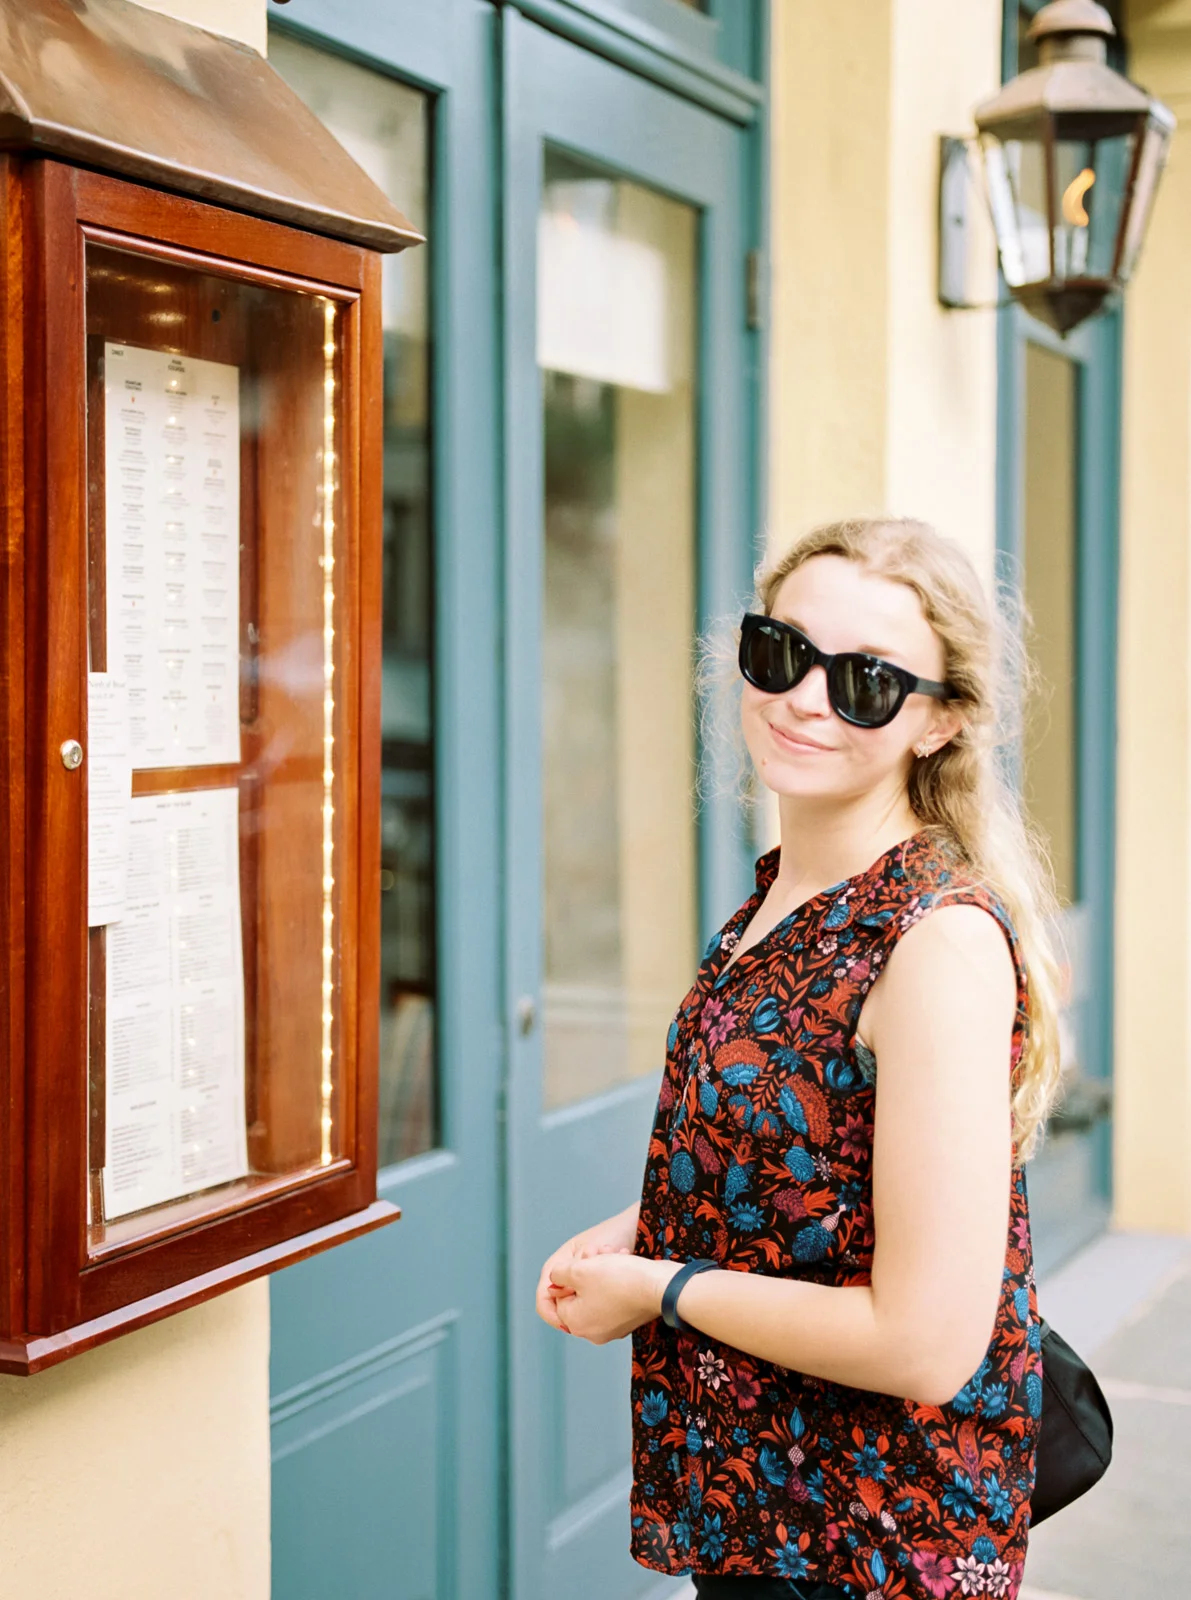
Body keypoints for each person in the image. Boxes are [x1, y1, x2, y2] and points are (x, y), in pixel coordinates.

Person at [536, 518, 1062, 1600]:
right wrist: (648, 1225)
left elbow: (925, 1342)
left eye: (866, 679)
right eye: (782, 652)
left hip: (868, 1542)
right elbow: (807, 1173)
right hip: (764, 1510)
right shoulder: (784, 893)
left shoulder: (932, 941)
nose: (805, 699)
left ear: (941, 721)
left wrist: (660, 1284)